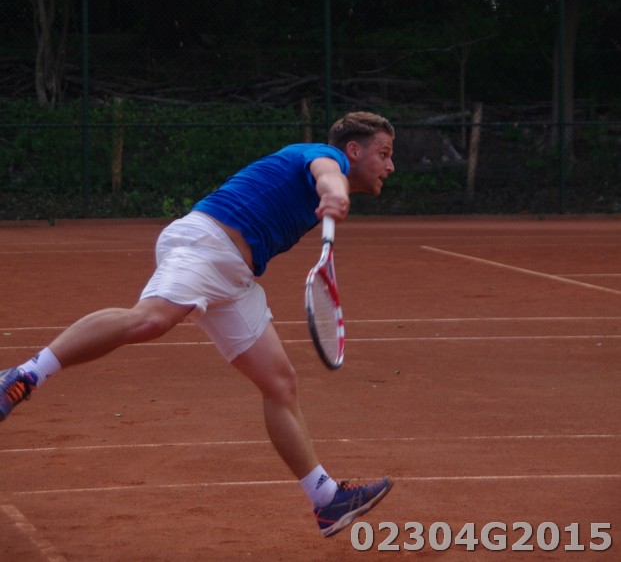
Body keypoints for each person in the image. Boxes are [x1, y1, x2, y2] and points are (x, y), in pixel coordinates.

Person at [0, 110, 396, 538]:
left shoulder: (329, 163)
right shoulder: (324, 156)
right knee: (151, 320)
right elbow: (327, 175)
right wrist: (334, 192)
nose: (390, 166)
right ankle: (24, 375)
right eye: (384, 154)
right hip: (206, 243)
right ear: (352, 150)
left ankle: (326, 499)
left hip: (237, 277)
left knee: (280, 384)